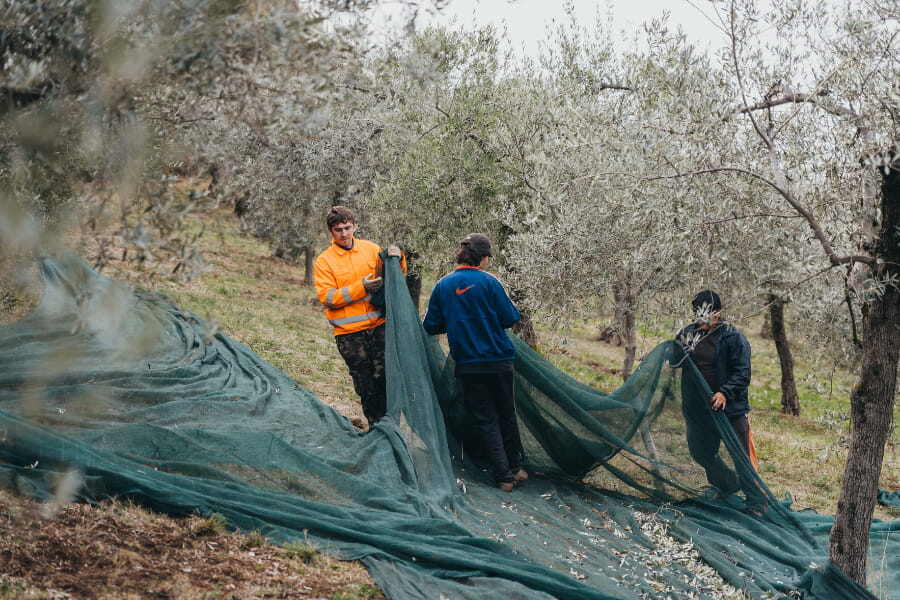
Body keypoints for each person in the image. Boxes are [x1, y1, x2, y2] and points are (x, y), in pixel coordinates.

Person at [422, 233, 527, 492]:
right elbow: (510, 317)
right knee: (506, 414)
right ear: (483, 258)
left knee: (485, 419)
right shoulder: (490, 282)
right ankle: (517, 468)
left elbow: (431, 325)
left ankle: (504, 478)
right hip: (500, 361)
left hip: (468, 364)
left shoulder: (443, 285)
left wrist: (457, 319)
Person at [676, 290, 766, 514]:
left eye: (708, 314)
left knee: (740, 456)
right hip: (698, 409)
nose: (703, 320)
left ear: (718, 313)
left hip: (729, 410)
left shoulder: (733, 338)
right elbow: (676, 359)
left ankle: (757, 503)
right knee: (701, 452)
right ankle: (727, 484)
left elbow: (742, 373)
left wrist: (724, 392)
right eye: (699, 315)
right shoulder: (687, 334)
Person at [313, 206, 403, 428]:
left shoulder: (371, 249)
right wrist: (361, 287)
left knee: (387, 381)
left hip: (378, 328)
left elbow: (394, 273)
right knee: (366, 386)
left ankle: (391, 428)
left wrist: (398, 259)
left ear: (355, 226)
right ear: (330, 232)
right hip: (350, 336)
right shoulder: (324, 261)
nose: (344, 233)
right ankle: (377, 430)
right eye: (338, 230)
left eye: (347, 228)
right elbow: (328, 297)